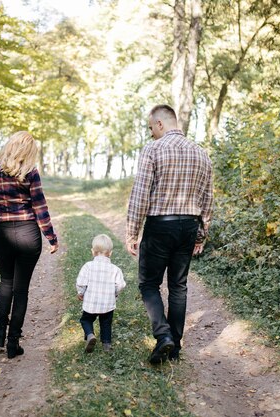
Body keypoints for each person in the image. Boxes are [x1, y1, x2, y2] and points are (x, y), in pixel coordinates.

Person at [126, 104, 213, 364]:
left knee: (149, 283)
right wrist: (201, 234)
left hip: (159, 225)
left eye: (151, 127)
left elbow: (141, 194)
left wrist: (132, 231)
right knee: (178, 285)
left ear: (160, 124)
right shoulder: (202, 154)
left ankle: (163, 336)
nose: (151, 133)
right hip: (188, 226)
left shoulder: (153, 149)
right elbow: (207, 199)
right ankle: (174, 346)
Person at [0, 131, 59, 359]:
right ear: (27, 151)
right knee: (21, 289)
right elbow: (40, 207)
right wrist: (51, 238)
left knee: (6, 282)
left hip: (2, 234)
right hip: (27, 233)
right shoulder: (30, 173)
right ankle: (13, 344)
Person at [76, 234, 126, 353]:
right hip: (108, 304)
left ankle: (90, 335)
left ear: (93, 252)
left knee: (86, 320)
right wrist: (114, 293)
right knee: (106, 323)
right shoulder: (115, 269)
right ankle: (107, 345)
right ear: (110, 253)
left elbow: (81, 282)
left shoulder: (88, 266)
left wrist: (81, 292)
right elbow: (121, 284)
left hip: (91, 303)